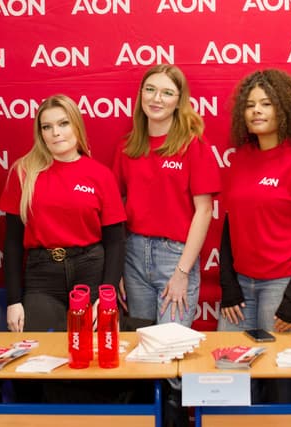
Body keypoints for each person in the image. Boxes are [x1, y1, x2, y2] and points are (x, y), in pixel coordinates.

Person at [217, 69, 291, 403]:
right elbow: (230, 223)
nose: (256, 110)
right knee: (229, 381)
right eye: (250, 104)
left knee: (285, 386)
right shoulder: (241, 158)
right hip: (242, 288)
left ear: (284, 108)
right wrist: (228, 284)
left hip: (284, 285)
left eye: (266, 103)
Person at [0, 94, 126, 334]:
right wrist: (13, 301)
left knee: (93, 351)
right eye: (47, 127)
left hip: (91, 271)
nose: (56, 133)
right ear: (40, 133)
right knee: (39, 351)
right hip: (42, 276)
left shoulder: (101, 175)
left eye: (63, 123)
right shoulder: (23, 172)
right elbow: (12, 243)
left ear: (76, 125)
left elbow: (115, 242)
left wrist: (106, 296)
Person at [112, 64, 221, 328]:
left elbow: (204, 211)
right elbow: (115, 210)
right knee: (142, 340)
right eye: (150, 89)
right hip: (133, 255)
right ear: (141, 95)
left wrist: (182, 272)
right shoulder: (127, 147)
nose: (156, 98)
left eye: (167, 92)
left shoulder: (193, 145)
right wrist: (116, 269)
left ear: (179, 101)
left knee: (171, 343)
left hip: (175, 257)